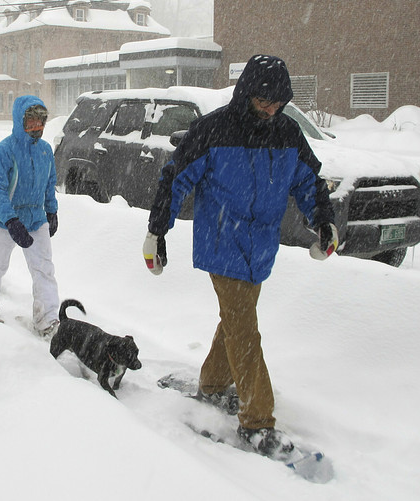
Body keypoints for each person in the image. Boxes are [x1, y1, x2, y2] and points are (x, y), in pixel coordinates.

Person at [142, 55, 339, 459]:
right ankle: (257, 422)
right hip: (221, 242)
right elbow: (174, 178)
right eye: (262, 101)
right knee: (245, 328)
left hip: (260, 246)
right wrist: (157, 231)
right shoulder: (213, 129)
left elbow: (308, 181)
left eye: (277, 103)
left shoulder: (287, 132)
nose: (269, 110)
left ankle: (214, 385)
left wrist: (323, 220)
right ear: (245, 92)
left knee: (236, 319)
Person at [0, 95, 61, 337]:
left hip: (35, 217)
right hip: (3, 221)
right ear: (19, 121)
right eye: (31, 123)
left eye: (40, 123)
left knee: (44, 269)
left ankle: (48, 320)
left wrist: (51, 210)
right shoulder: (4, 151)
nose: (36, 129)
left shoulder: (45, 151)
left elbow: (49, 183)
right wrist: (11, 221)